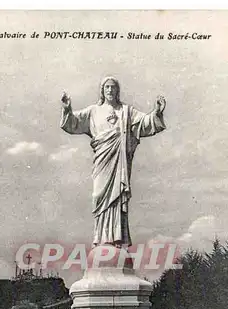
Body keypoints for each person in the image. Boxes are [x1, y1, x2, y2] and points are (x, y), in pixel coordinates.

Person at [60, 76, 166, 247]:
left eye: (113, 87)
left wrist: (157, 112)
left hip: (119, 161)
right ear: (102, 90)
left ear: (117, 90)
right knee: (99, 196)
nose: (110, 90)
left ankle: (117, 238)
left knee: (117, 197)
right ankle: (100, 238)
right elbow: (74, 122)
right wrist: (67, 110)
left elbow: (144, 123)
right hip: (102, 160)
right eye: (106, 87)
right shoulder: (93, 111)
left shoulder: (126, 111)